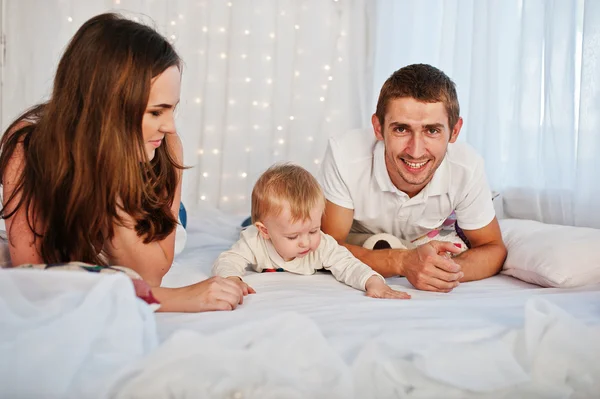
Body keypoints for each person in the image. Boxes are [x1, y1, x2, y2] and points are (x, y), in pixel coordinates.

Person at [0, 13, 245, 312]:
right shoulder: (27, 144)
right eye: (156, 112)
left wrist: (114, 184)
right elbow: (33, 275)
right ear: (108, 110)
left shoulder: (167, 146)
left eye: (172, 110)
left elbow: (150, 274)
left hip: (151, 210)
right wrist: (175, 298)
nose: (169, 126)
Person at [319, 64, 507, 293]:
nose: (416, 151)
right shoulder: (345, 154)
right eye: (401, 129)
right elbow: (326, 246)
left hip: (425, 238)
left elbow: (492, 248)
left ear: (454, 131)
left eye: (432, 131)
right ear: (378, 128)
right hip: (358, 238)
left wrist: (441, 269)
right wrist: (401, 261)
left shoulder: (467, 167)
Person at [212, 163, 410, 300]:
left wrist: (373, 282)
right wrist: (232, 280)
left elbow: (349, 265)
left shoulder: (321, 244)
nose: (305, 243)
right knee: (247, 225)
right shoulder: (254, 240)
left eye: (313, 230)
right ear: (264, 231)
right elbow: (229, 260)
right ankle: (248, 221)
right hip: (256, 226)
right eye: (293, 236)